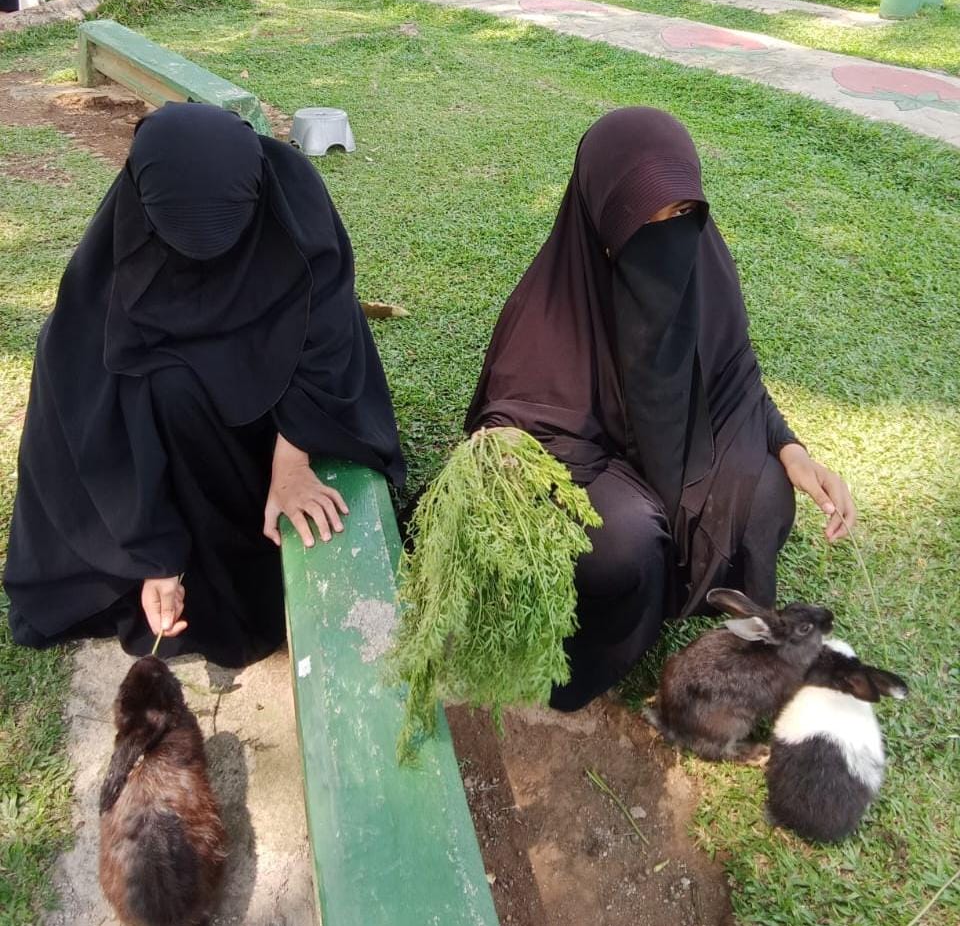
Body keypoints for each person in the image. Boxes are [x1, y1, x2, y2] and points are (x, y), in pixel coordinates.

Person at [465, 107, 855, 711]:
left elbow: (735, 373)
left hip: (684, 448)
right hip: (593, 467)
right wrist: (508, 455)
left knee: (768, 495)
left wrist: (792, 448)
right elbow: (515, 426)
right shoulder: (550, 312)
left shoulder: (704, 265)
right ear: (599, 213)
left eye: (680, 212)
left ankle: (714, 604)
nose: (667, 233)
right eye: (640, 219)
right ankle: (612, 638)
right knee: (625, 546)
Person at [4, 102, 405, 667]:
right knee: (166, 387)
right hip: (185, 466)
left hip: (285, 421)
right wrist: (155, 557)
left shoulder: (294, 199)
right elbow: (95, 430)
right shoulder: (107, 283)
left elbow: (330, 329)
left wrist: (291, 464)